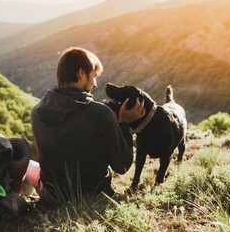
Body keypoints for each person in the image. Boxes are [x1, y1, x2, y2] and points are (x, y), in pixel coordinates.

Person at [24, 46, 145, 204]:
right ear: (81, 73)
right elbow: (122, 166)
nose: (95, 84)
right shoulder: (101, 113)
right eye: (94, 76)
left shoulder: (36, 112)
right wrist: (124, 123)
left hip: (54, 198)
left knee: (29, 166)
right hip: (96, 195)